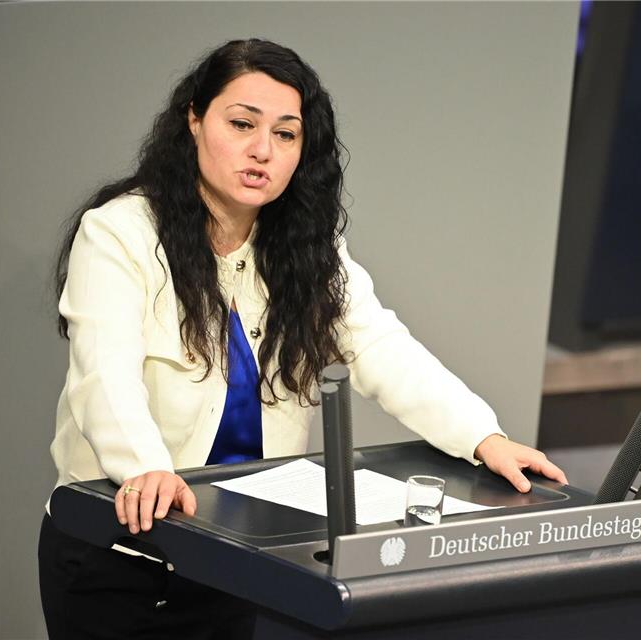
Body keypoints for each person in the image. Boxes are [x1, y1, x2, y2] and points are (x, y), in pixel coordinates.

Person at [39, 38, 567, 638]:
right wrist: (145, 469)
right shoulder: (119, 232)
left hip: (241, 556)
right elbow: (104, 373)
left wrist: (483, 436)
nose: (262, 150)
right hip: (120, 553)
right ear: (193, 120)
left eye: (286, 134)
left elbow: (378, 347)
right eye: (241, 124)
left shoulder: (306, 245)